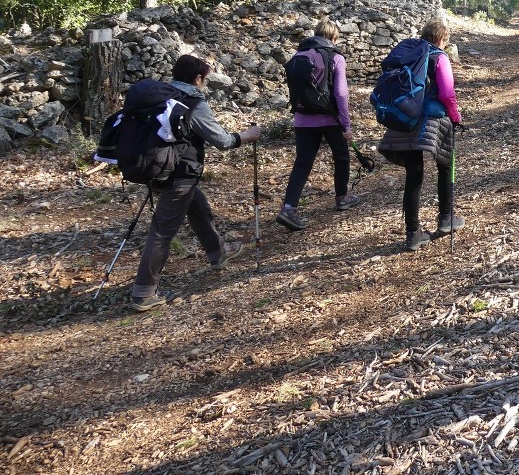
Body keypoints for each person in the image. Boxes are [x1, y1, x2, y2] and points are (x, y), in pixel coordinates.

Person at [130, 55, 260, 312]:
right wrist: (246, 135)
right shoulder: (193, 102)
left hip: (155, 168)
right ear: (198, 78)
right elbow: (221, 140)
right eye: (205, 79)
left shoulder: (161, 97)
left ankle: (218, 251)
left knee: (197, 204)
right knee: (162, 231)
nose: (205, 84)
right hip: (179, 173)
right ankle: (143, 293)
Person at [379, 18, 463, 252]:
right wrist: (455, 116)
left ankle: (413, 233)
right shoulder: (439, 58)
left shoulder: (408, 54)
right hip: (433, 119)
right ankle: (446, 218)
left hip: (404, 116)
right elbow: (447, 93)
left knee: (414, 175)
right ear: (441, 39)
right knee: (445, 165)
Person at [276, 18, 361, 232]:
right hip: (330, 117)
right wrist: (346, 124)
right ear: (333, 37)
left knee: (303, 163)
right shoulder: (335, 56)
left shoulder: (299, 55)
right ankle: (342, 196)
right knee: (341, 156)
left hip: (303, 117)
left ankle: (288, 207)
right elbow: (341, 93)